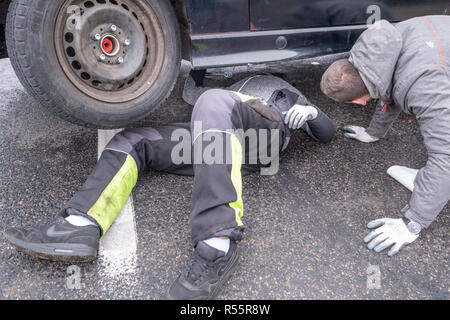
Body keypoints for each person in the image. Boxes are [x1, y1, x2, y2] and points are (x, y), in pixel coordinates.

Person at [4, 71, 335, 299]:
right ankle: (80, 225)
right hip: (220, 140)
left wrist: (309, 112)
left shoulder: (283, 92)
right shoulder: (236, 85)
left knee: (213, 100)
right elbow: (192, 93)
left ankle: (217, 242)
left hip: (261, 137)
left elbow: (327, 133)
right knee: (135, 140)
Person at [320, 15, 449, 256]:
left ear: (358, 101)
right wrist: (372, 133)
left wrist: (412, 223)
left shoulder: (424, 84)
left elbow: (446, 157)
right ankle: (431, 185)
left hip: (437, 68)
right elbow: (387, 88)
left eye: (354, 101)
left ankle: (433, 190)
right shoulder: (378, 50)